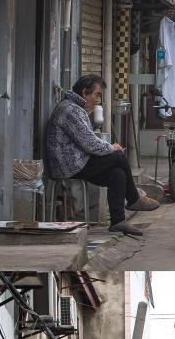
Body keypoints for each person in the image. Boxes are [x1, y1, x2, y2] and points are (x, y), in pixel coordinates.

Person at [45, 75, 159, 234]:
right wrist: (112, 148)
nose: (98, 99)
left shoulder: (76, 108)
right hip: (69, 165)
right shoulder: (70, 110)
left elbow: (88, 141)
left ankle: (118, 221)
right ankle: (133, 199)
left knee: (117, 174)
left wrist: (110, 148)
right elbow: (90, 143)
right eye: (97, 94)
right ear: (85, 92)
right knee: (118, 157)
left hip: (78, 162)